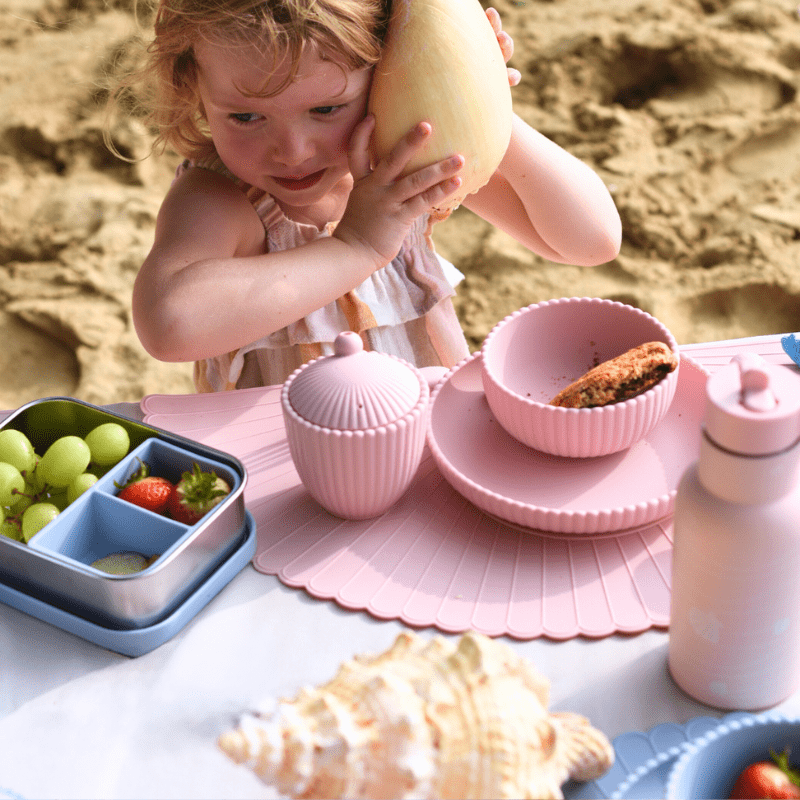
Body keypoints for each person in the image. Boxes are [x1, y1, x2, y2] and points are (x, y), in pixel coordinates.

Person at [123, 0, 622, 392]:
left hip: (425, 440)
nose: (293, 151)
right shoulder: (220, 197)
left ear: (390, 75)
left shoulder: (400, 165)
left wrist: (473, 95)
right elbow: (170, 324)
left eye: (326, 109)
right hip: (288, 467)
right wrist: (354, 248)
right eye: (246, 117)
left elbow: (591, 241)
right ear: (194, 89)